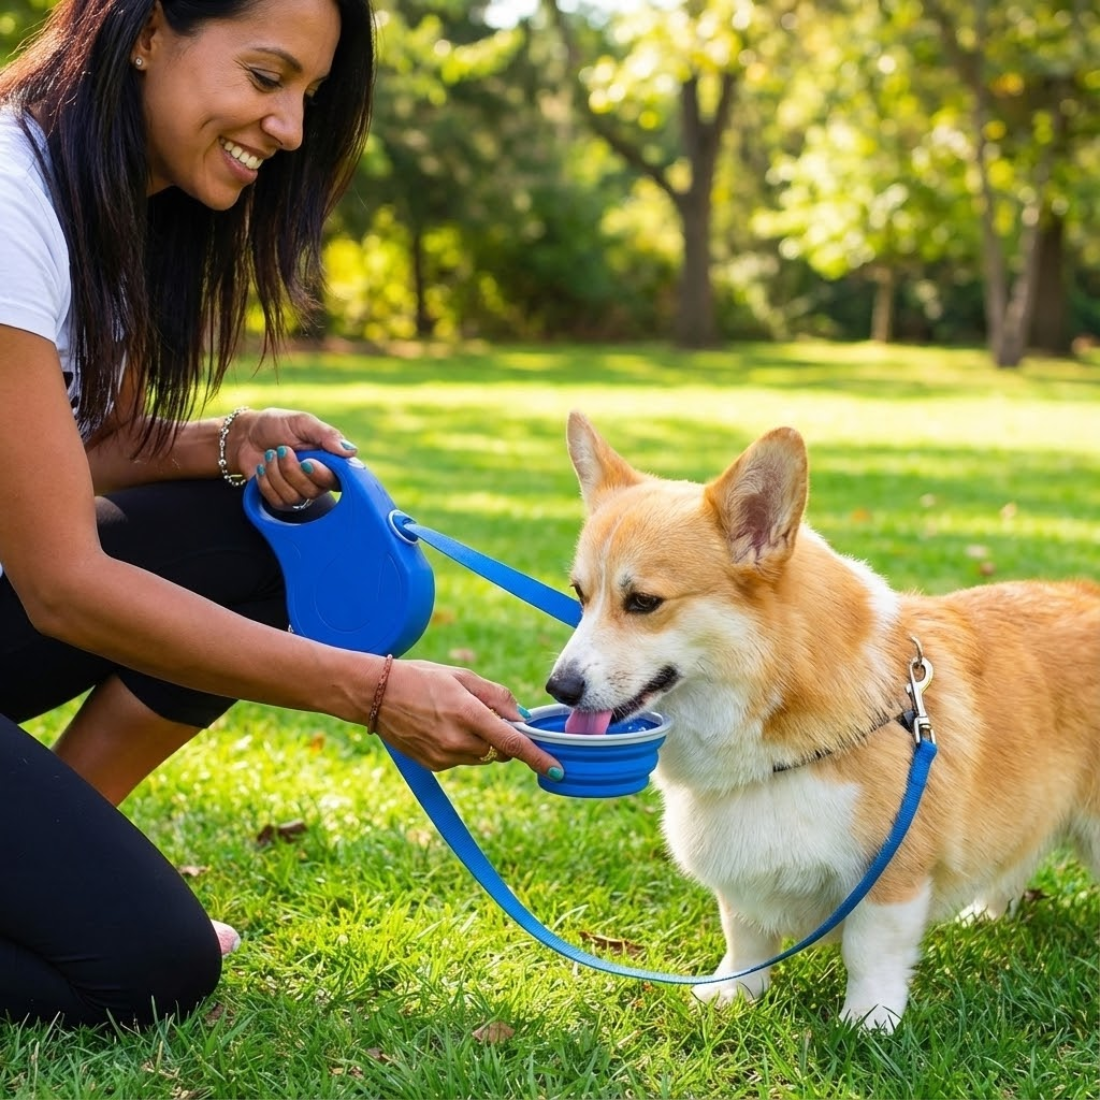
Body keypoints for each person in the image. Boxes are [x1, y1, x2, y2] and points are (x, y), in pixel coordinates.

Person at [0, 0, 562, 1029]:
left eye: (307, 95)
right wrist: (376, 690)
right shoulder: (7, 201)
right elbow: (60, 582)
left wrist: (225, 442)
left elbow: (64, 447)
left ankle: (50, 864)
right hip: (30, 591)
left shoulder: (109, 203)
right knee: (147, 968)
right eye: (266, 79)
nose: (292, 129)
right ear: (147, 31)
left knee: (248, 530)